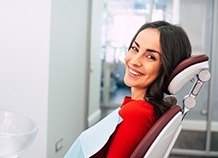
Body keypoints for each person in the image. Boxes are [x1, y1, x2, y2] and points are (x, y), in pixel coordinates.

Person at [65, 20, 192, 158]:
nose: (134, 61)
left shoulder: (137, 113)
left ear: (167, 67)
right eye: (135, 49)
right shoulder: (140, 107)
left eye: (150, 57)